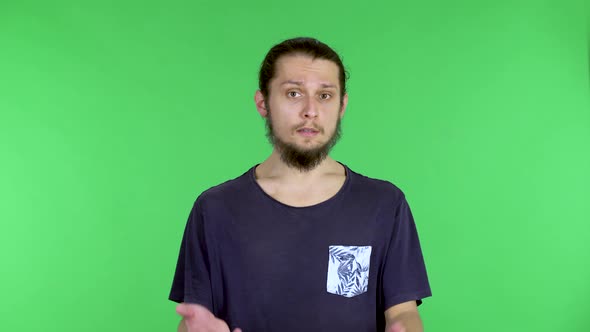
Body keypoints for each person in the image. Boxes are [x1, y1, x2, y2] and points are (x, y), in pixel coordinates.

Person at [169, 37, 432, 332]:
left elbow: (403, 312)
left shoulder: (384, 203)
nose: (310, 110)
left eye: (325, 95)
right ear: (263, 103)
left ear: (342, 105)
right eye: (293, 93)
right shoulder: (214, 209)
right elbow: (193, 318)